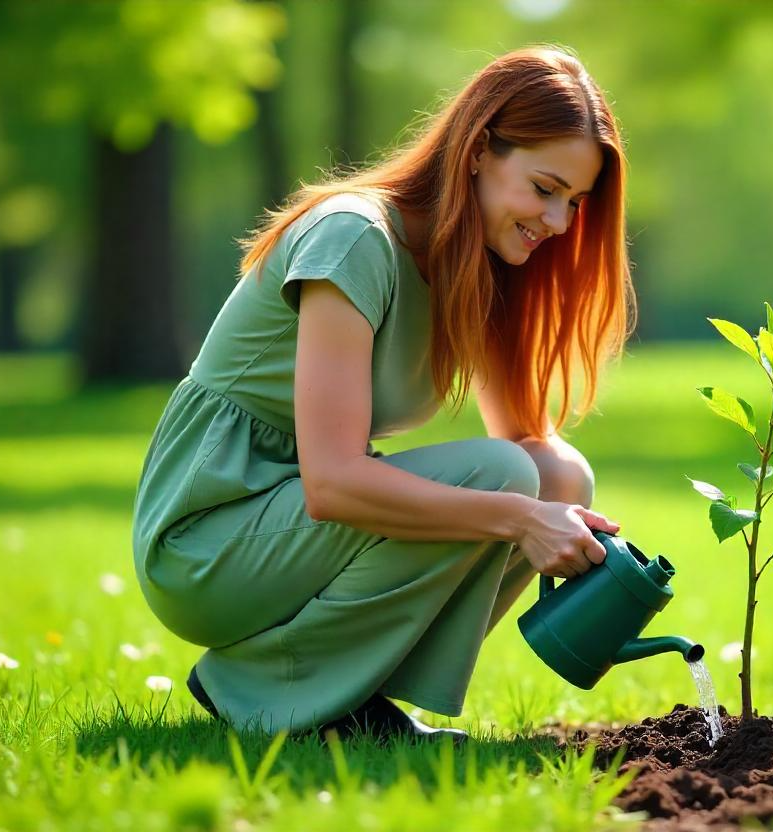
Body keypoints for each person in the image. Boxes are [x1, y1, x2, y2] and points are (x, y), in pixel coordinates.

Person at [130, 45, 635, 742]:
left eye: (574, 203)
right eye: (545, 188)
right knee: (511, 483)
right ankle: (267, 688)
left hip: (287, 531)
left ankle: (349, 701)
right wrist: (518, 518)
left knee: (558, 476)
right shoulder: (354, 239)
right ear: (480, 149)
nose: (558, 222)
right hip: (206, 538)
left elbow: (533, 449)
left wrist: (594, 543)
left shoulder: (473, 262)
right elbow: (333, 484)